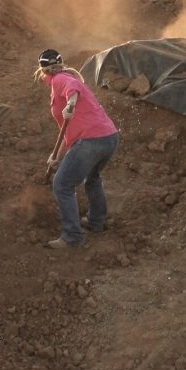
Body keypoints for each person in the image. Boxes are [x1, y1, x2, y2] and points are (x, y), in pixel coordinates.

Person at [35, 49, 119, 249]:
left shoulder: (60, 79)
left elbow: (72, 89)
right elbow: (69, 133)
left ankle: (72, 237)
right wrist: (55, 156)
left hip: (91, 141)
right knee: (92, 178)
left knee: (62, 184)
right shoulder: (66, 77)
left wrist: (70, 104)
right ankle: (96, 221)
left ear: (43, 71)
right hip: (109, 137)